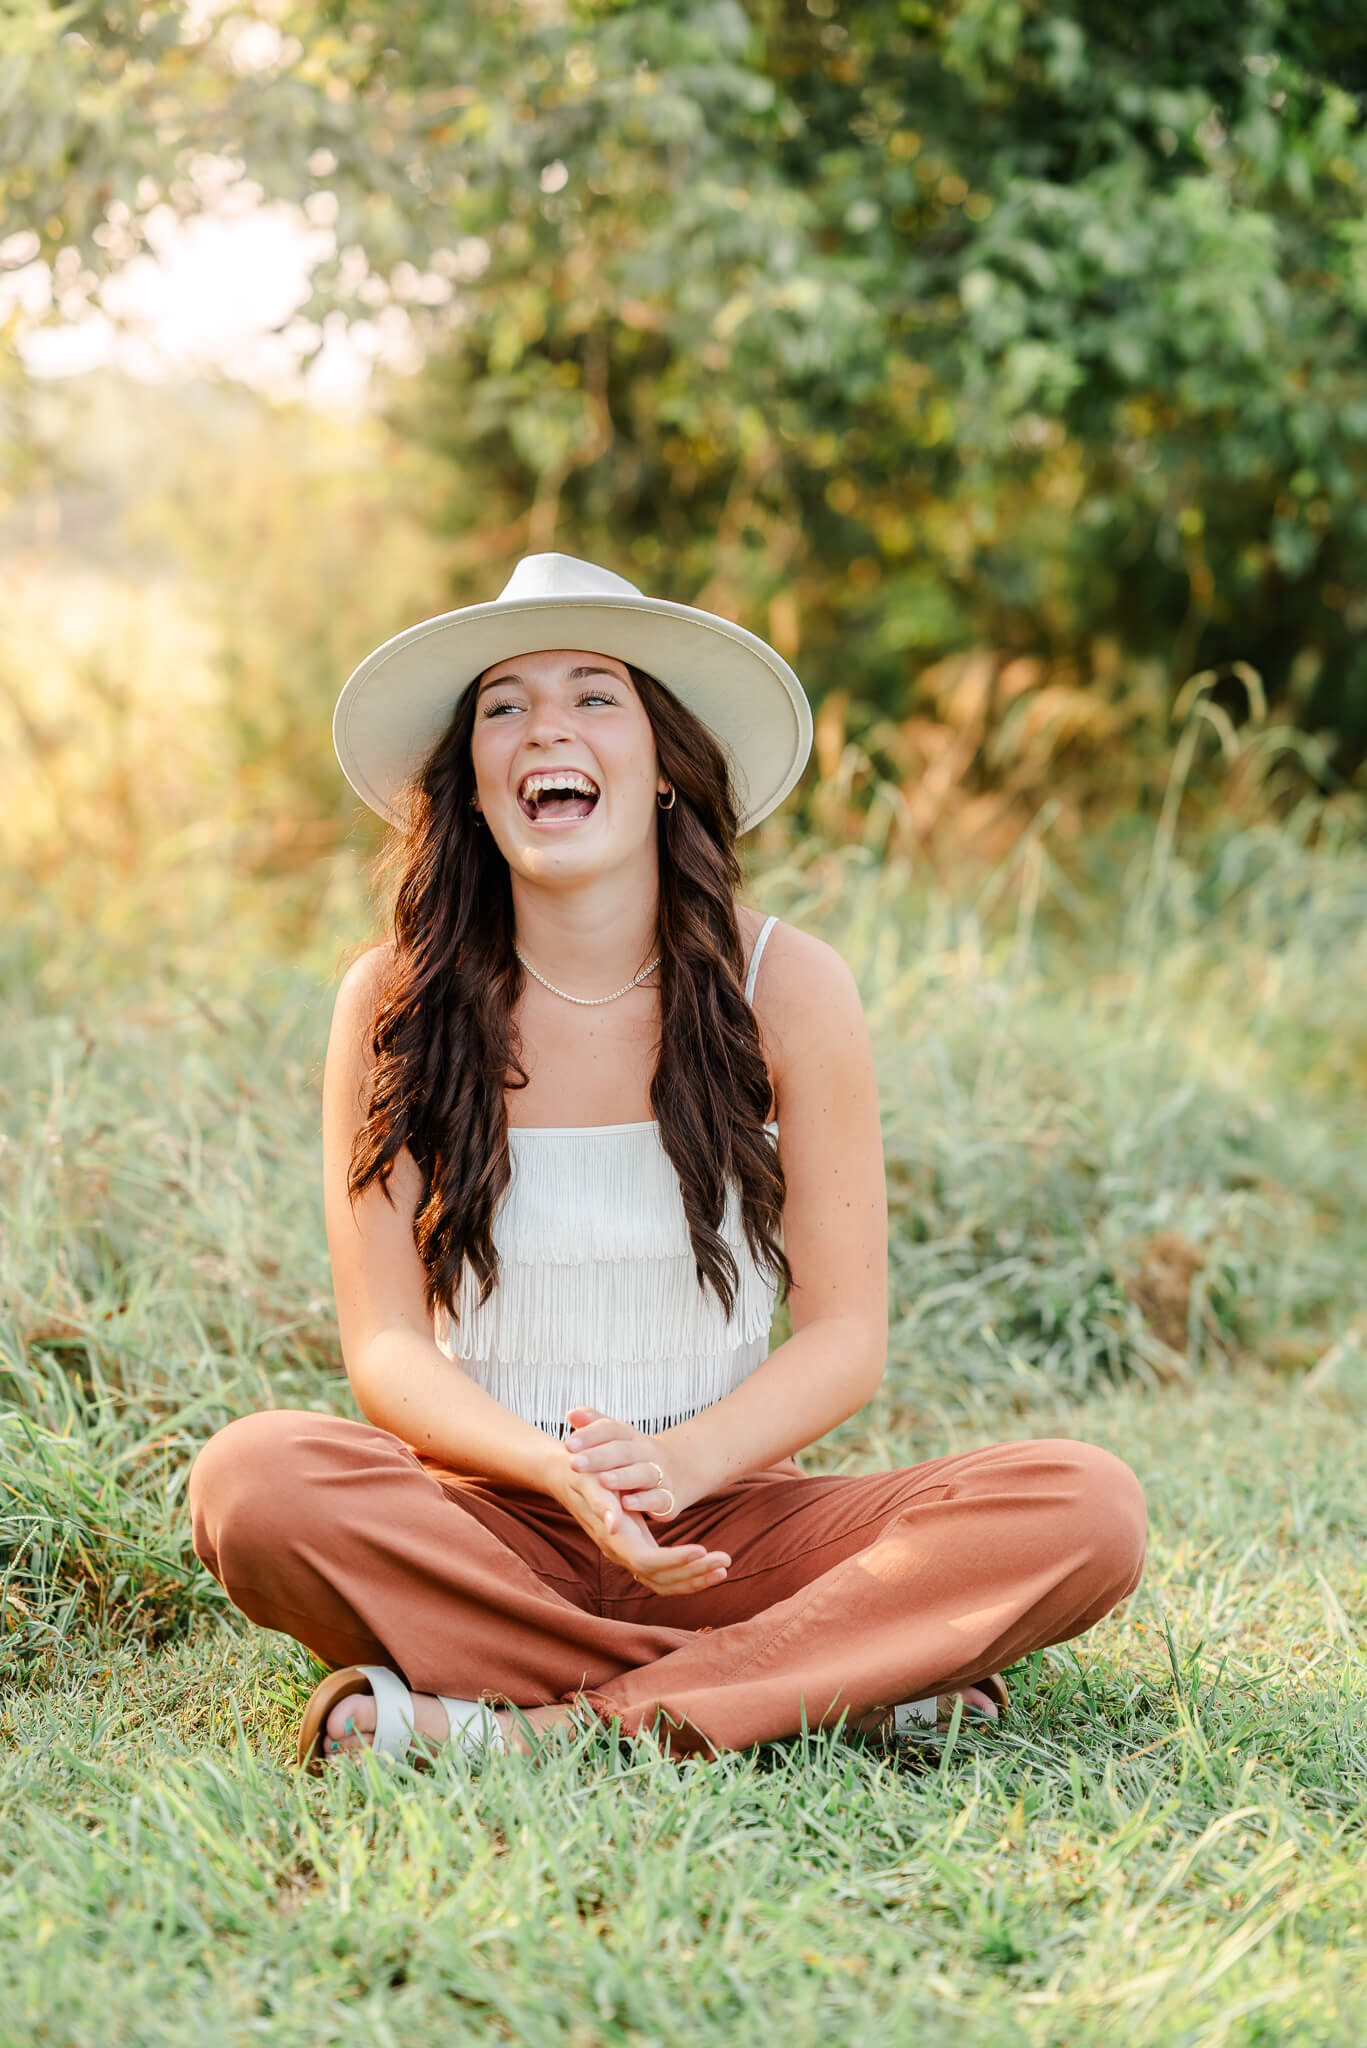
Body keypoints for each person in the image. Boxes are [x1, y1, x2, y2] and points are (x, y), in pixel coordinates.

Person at [188, 551, 1147, 1771]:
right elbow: (381, 1346)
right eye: (504, 705)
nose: (548, 726)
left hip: (729, 1528)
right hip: (487, 1529)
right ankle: (816, 1688)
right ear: (472, 786)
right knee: (254, 1480)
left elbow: (845, 1336)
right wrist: (557, 1472)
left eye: (595, 694)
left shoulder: (785, 984)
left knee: (1084, 1503)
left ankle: (527, 1734)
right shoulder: (390, 1001)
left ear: (658, 768)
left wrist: (670, 1467)